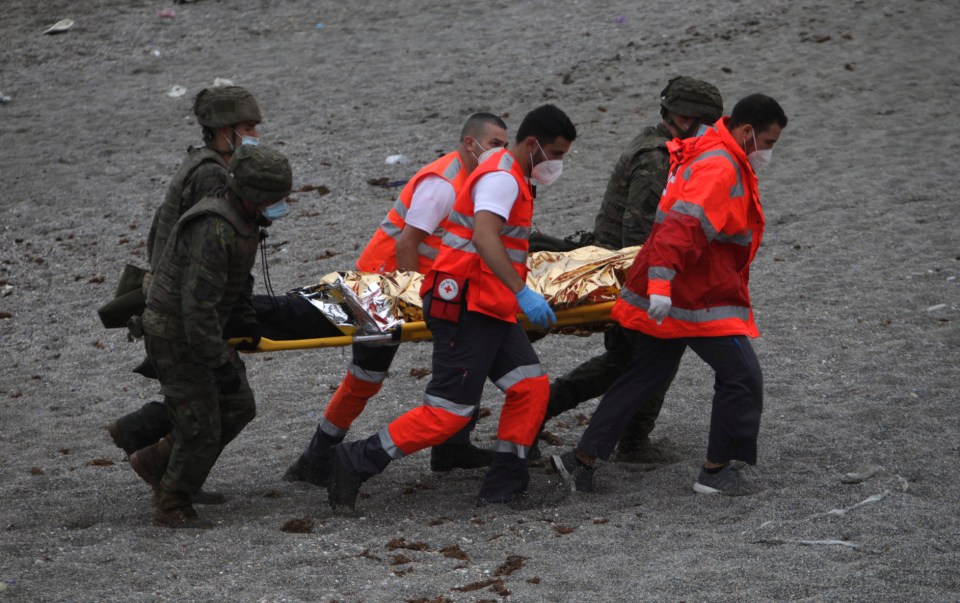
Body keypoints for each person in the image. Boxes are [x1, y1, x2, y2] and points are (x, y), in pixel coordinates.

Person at [327, 104, 577, 510]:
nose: (558, 165)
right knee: (447, 413)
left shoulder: (502, 163)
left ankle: (506, 483)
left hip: (485, 303)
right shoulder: (503, 178)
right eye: (558, 154)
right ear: (532, 145)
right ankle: (355, 460)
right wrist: (522, 291)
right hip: (465, 304)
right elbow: (484, 236)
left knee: (530, 387)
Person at [551, 93, 787, 496]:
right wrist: (662, 285)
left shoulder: (709, 153)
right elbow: (680, 230)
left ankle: (581, 461)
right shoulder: (721, 166)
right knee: (741, 377)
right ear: (747, 132)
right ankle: (715, 472)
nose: (768, 152)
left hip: (672, 289)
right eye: (768, 143)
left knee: (647, 372)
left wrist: (658, 283)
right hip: (692, 296)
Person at [282, 113, 510, 486]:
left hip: (416, 287)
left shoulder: (473, 180)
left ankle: (453, 445)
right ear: (472, 143)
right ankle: (317, 455)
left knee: (467, 357)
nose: (502, 152)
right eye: (497, 144)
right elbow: (407, 244)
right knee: (365, 377)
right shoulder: (443, 183)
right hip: (382, 288)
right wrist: (419, 300)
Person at [531, 77, 724, 465]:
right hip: (627, 274)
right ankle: (546, 420)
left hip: (627, 270)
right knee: (633, 362)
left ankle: (628, 438)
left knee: (639, 361)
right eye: (707, 123)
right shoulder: (656, 158)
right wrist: (659, 283)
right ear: (684, 118)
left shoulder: (659, 146)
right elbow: (638, 237)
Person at [137, 144, 293, 528]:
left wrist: (246, 321)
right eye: (274, 198)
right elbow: (197, 307)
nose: (279, 206)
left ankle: (160, 463)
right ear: (254, 196)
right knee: (199, 424)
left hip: (200, 331)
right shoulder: (214, 228)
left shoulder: (243, 221)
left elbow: (237, 281)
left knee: (238, 406)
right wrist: (219, 361)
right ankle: (172, 503)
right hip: (178, 335)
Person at [106, 85, 263, 462]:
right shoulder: (212, 177)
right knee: (220, 402)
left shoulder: (204, 163)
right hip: (188, 307)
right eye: (249, 127)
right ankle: (163, 469)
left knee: (206, 397)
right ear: (227, 129)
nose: (255, 135)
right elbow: (206, 249)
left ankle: (145, 441)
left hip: (180, 300)